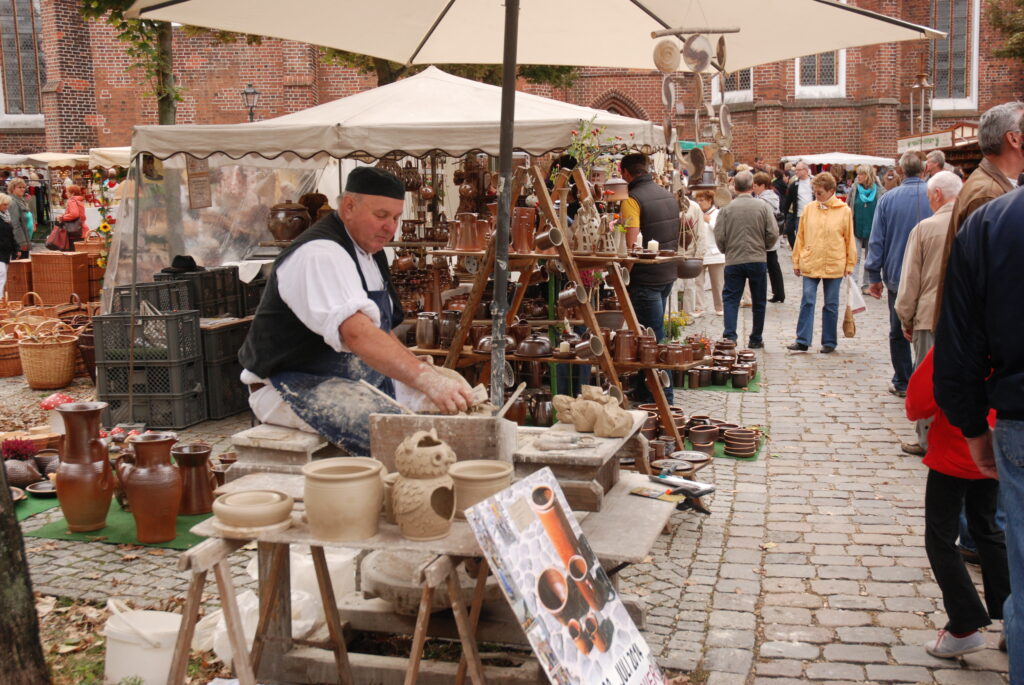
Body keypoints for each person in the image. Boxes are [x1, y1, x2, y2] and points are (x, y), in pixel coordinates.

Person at [237, 166, 475, 455]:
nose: (391, 227)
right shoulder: (320, 253)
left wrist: (412, 363)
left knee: (456, 398)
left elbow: (378, 329)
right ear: (348, 206)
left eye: (396, 217)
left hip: (348, 377)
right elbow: (357, 334)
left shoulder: (369, 254)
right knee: (403, 439)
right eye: (381, 215)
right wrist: (423, 377)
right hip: (289, 384)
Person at [933, 187, 1024, 678]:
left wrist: (970, 423)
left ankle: (978, 620)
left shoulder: (992, 222)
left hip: (1009, 419)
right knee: (991, 529)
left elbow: (960, 340)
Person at [907, 347, 1008, 659]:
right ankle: (1013, 619)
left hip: (956, 445)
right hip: (998, 441)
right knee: (988, 528)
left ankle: (964, 625)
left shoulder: (960, 337)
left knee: (940, 538)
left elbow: (919, 400)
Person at [894, 171, 963, 453]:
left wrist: (905, 317)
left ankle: (927, 438)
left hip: (929, 314)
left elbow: (910, 280)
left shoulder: (925, 228)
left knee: (928, 378)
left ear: (937, 195)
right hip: (966, 318)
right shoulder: (976, 221)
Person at [865, 152, 931, 399]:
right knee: (929, 327)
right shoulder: (935, 196)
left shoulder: (888, 199)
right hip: (930, 274)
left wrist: (874, 275)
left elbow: (877, 240)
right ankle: (922, 377)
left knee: (898, 328)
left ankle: (903, 379)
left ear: (901, 172)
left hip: (897, 273)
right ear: (924, 170)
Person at [619, 153, 679, 403]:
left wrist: (624, 276)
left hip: (646, 279)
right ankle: (646, 391)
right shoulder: (667, 194)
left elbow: (632, 244)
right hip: (667, 273)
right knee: (651, 334)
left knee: (652, 341)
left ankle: (664, 400)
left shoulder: (632, 200)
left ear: (625, 173)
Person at [786, 172, 856, 353]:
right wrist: (796, 260)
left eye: (820, 193)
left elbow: (849, 239)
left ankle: (829, 341)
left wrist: (850, 264)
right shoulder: (809, 209)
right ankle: (802, 339)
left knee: (831, 304)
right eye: (815, 192)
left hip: (834, 262)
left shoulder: (844, 211)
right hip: (811, 261)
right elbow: (800, 236)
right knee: (807, 300)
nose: (816, 196)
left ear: (831, 191)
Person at [713, 171, 778, 349]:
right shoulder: (762, 206)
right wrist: (763, 246)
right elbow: (772, 232)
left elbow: (719, 235)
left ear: (735, 187)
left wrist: (726, 249)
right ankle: (756, 338)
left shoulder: (726, 209)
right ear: (751, 186)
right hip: (757, 257)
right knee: (758, 300)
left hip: (734, 259)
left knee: (731, 299)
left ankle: (730, 336)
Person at [846, 164, 883, 292]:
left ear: (867, 176)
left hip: (873, 228)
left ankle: (866, 284)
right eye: (857, 174)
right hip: (857, 226)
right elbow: (848, 205)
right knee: (855, 256)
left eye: (861, 174)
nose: (858, 177)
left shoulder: (879, 190)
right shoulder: (855, 189)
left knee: (870, 257)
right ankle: (853, 284)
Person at [753, 172, 785, 303]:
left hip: (765, 236)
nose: (753, 188)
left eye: (755, 185)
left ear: (762, 186)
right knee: (773, 265)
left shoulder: (763, 200)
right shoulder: (773, 196)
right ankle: (778, 293)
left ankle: (775, 293)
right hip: (771, 235)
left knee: (767, 266)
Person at [676, 189, 707, 318]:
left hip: (690, 252)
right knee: (674, 286)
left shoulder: (694, 207)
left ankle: (688, 313)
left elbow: (700, 232)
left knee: (689, 285)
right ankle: (673, 314)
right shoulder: (669, 205)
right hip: (674, 251)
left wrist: (699, 255)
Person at [695, 190, 724, 316]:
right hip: (700, 253)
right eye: (698, 200)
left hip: (715, 253)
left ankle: (719, 307)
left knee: (717, 283)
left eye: (702, 200)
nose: (699, 203)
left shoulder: (718, 213)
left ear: (709, 200)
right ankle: (699, 307)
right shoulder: (697, 213)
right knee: (698, 282)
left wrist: (709, 221)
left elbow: (720, 231)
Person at [782, 161, 813, 248]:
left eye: (798, 170)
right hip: (799, 215)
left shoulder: (814, 182)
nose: (796, 172)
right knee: (799, 237)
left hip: (813, 215)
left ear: (806, 170)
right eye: (796, 170)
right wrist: (784, 217)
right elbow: (787, 202)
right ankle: (798, 251)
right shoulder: (793, 185)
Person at [0, 194, 20, 295]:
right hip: (1, 251)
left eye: (7, 205)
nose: (6, 207)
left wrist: (16, 249)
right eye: (4, 204)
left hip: (5, 252)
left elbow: (11, 235)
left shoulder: (6, 217)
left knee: (3, 277)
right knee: (1, 275)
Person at [60, 184, 89, 252]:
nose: (66, 193)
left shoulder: (72, 201)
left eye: (67, 192)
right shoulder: (79, 201)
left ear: (72, 193)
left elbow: (74, 214)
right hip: (81, 229)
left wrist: (63, 217)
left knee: (72, 253)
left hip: (73, 230)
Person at [6, 177, 30, 258]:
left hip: (25, 237)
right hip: (19, 242)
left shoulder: (21, 200)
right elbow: (15, 224)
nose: (22, 189)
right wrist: (21, 242)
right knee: (21, 267)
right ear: (12, 188)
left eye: (24, 187)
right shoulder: (13, 202)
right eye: (19, 187)